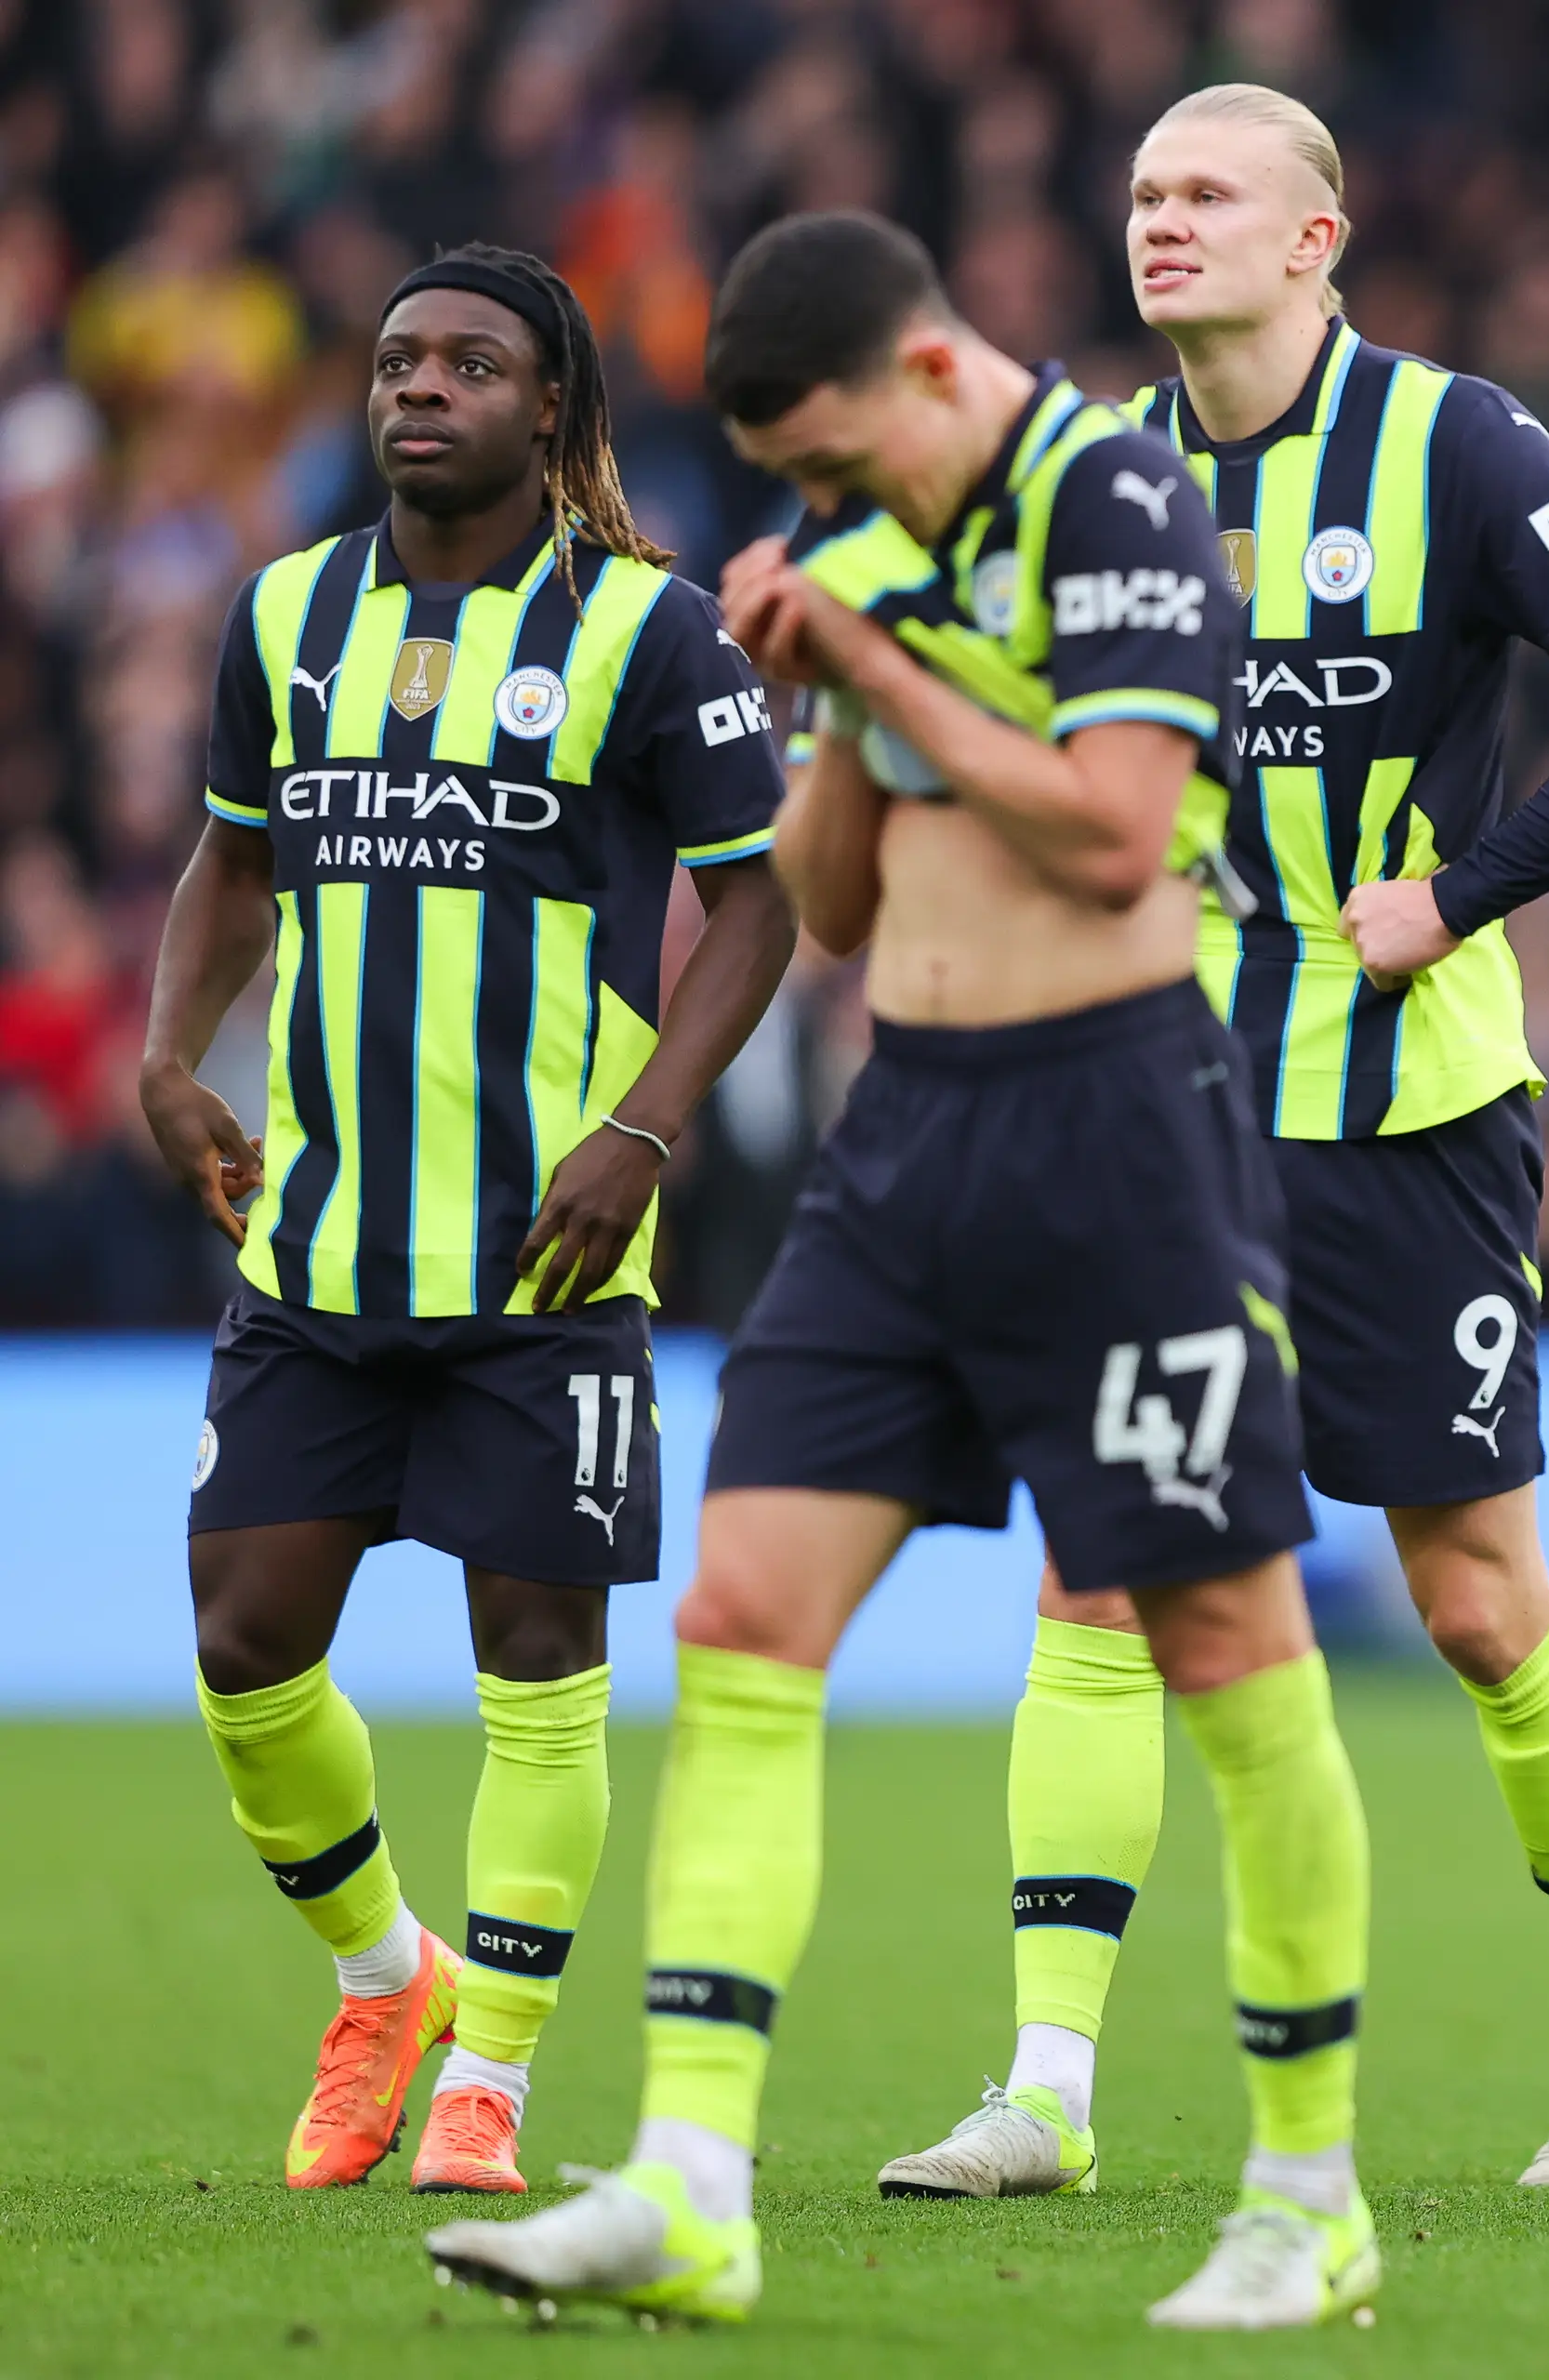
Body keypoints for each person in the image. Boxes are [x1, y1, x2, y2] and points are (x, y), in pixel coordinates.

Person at [423, 212, 1370, 2333]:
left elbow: (1123, 830)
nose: (824, 509)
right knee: (747, 1607)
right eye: (800, 486)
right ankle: (688, 2174)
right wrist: (818, 705)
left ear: (932, 373)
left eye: (839, 467)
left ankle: (1309, 2193)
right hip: (908, 1139)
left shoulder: (1118, 495)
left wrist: (870, 657)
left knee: (1222, 1647)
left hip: (1122, 1130)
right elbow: (832, 910)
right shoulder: (872, 538)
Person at [870, 83, 1549, 2206]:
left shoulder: (1454, 444)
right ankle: (1046, 2082)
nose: (1163, 224)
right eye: (1145, 193)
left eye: (1209, 194)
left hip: (1407, 1101)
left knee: (1470, 1595)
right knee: (1098, 1572)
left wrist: (1459, 888)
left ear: (1316, 238)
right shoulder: (1094, 476)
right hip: (1158, 1101)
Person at [135, 245, 795, 2201]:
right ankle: (385, 1976)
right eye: (402, 358)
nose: (422, 387)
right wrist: (179, 1054)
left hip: (548, 1260)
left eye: (472, 363)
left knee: (538, 1653)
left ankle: (489, 2073)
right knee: (246, 1646)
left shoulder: (654, 635)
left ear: (552, 409)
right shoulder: (288, 612)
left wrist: (649, 1130)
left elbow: (757, 905)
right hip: (319, 1251)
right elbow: (231, 859)